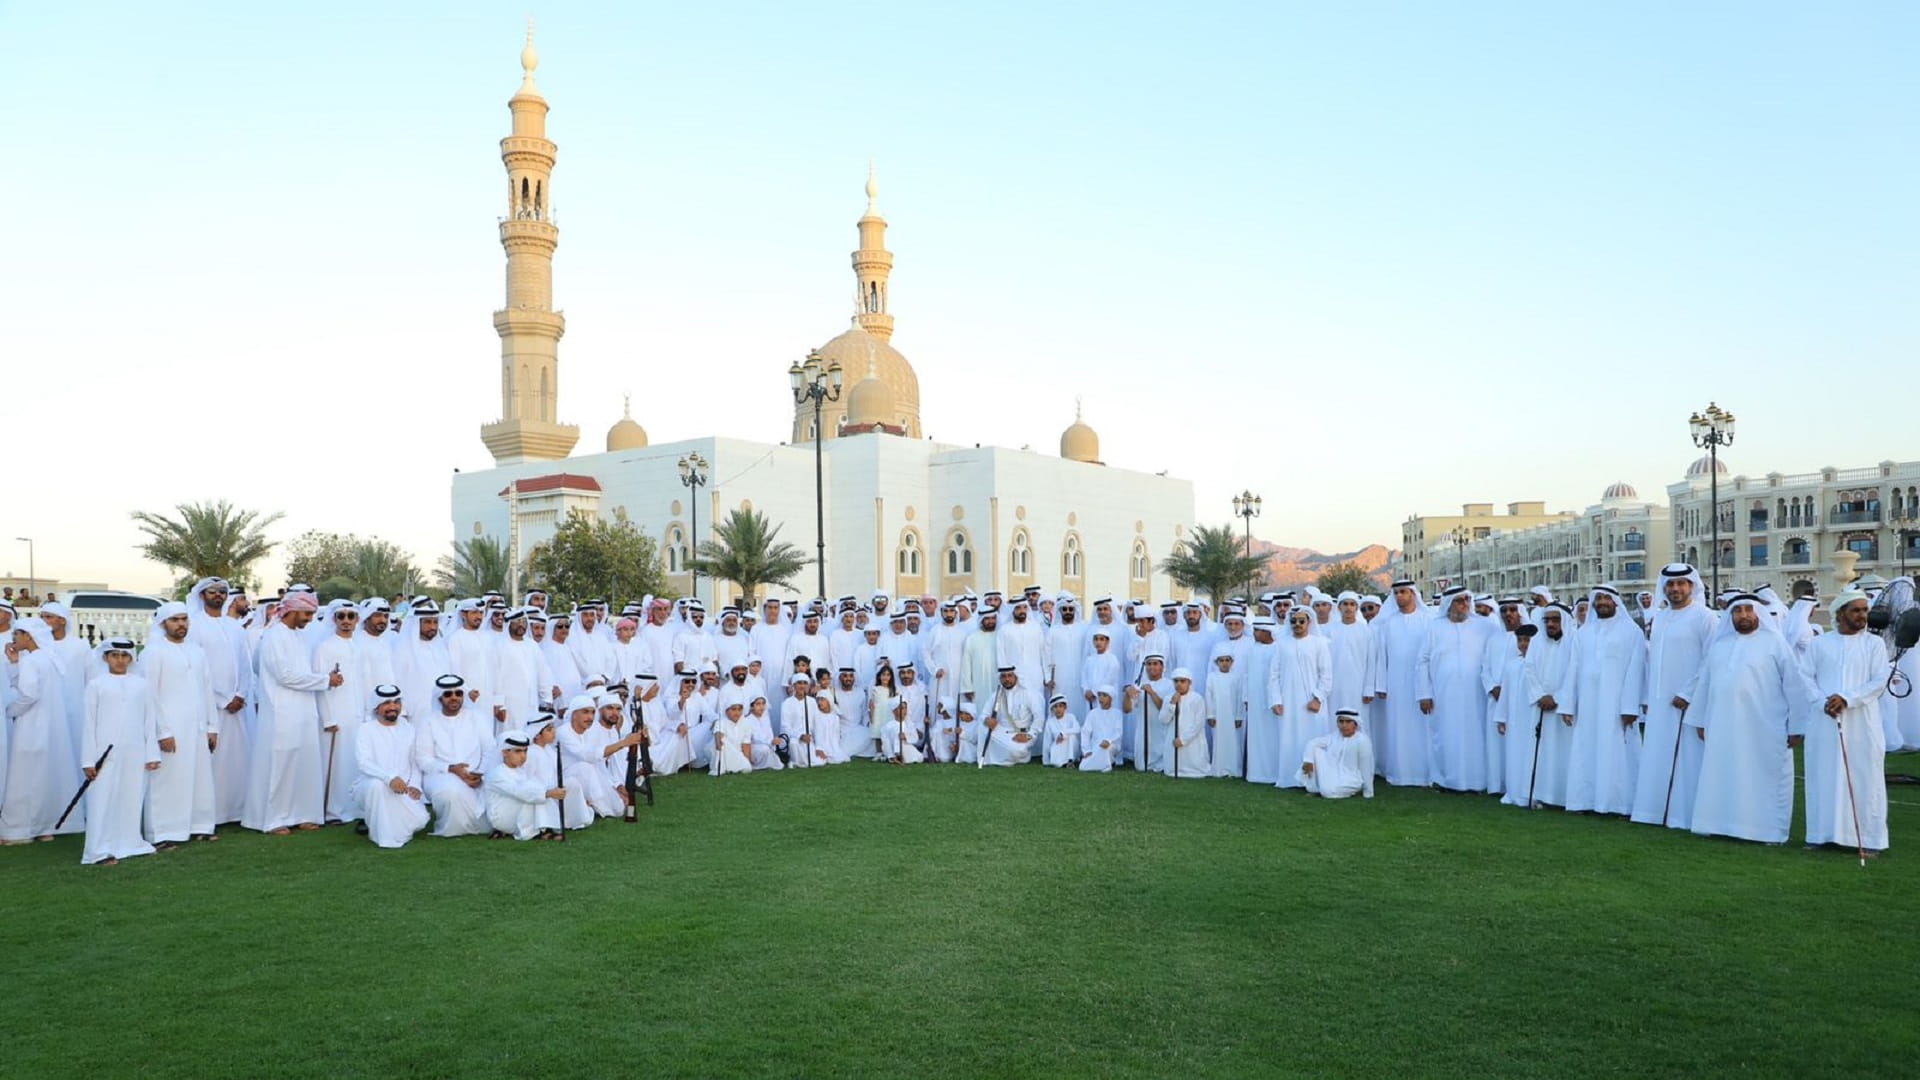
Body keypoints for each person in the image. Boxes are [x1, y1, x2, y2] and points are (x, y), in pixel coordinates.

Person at [1689, 594, 1814, 845]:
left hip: (1765, 726)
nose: (1743, 615)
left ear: (1758, 613)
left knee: (1764, 776)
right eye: (1737, 611)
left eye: (1748, 610)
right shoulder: (1720, 645)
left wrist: (1797, 726)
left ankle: (1766, 832)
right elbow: (1705, 684)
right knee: (1722, 772)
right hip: (1722, 723)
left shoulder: (1775, 643)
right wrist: (1700, 720)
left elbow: (1794, 686)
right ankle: (1721, 824)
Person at [244, 593, 343, 835]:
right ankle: (273, 819)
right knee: (281, 763)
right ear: (291, 611)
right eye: (307, 614)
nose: (310, 619)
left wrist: (321, 679)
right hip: (281, 710)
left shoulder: (300, 636)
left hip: (304, 709)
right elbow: (284, 675)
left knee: (305, 762)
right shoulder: (273, 637)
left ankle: (303, 815)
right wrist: (324, 680)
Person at [1801, 590, 1891, 854]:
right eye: (1856, 610)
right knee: (1823, 775)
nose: (1862, 615)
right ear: (1841, 614)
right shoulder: (1819, 644)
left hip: (1862, 722)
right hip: (1824, 721)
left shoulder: (1874, 644)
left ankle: (1868, 840)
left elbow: (1878, 682)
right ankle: (1822, 835)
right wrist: (1823, 702)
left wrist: (1847, 699)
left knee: (1865, 777)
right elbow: (1805, 678)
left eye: (1865, 610)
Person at [1631, 564, 1716, 829]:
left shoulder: (1706, 617)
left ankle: (1686, 815)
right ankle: (1654, 812)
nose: (1675, 589)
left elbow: (1711, 660)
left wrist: (1688, 692)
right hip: (1659, 703)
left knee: (1689, 758)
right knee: (1658, 754)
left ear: (1692, 586)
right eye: (1670, 584)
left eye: (1681, 583)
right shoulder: (1662, 617)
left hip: (1689, 702)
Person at [1558, 586, 1646, 816]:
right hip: (1588, 704)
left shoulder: (1631, 632)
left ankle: (1619, 804)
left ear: (1616, 602)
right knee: (1586, 749)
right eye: (1598, 598)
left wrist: (1629, 706)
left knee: (1617, 751)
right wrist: (1568, 705)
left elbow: (1636, 670)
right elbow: (1573, 669)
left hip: (1616, 704)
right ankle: (1584, 800)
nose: (1603, 602)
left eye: (1607, 598)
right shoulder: (1584, 633)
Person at [139, 602, 218, 846]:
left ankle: (199, 825)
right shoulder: (153, 652)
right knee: (167, 781)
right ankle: (162, 832)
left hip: (197, 727)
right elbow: (149, 694)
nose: (181, 624)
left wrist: (212, 726)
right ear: (163, 624)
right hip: (169, 727)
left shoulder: (197, 651)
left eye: (184, 619)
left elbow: (207, 690)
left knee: (199, 777)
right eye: (175, 620)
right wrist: (162, 731)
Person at [80, 640, 162, 865]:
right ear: (105, 658)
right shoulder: (96, 685)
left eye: (124, 656)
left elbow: (149, 720)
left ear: (131, 659)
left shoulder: (142, 685)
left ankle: (130, 843)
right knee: (102, 800)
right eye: (114, 655)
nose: (119, 660)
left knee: (131, 797)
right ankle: (98, 850)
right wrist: (88, 759)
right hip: (103, 754)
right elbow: (88, 724)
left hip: (135, 751)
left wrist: (152, 754)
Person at [1416, 587, 1493, 793]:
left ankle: (1477, 782)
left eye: (1467, 600)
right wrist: (1424, 693)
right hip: (1443, 693)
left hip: (1476, 693)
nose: (1464, 605)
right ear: (1449, 604)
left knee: (1476, 734)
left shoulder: (1484, 627)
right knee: (1445, 734)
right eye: (1459, 601)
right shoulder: (1435, 627)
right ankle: (1445, 780)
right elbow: (1422, 661)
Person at [1, 619, 72, 842]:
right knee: (44, 775)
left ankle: (18, 830)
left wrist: (9, 711)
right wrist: (14, 663)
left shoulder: (32, 661)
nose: (14, 639)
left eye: (18, 634)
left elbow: (28, 695)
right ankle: (44, 827)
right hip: (51, 725)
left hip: (31, 724)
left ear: (28, 636)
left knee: (24, 776)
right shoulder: (49, 658)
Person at [414, 674, 493, 837]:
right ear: (439, 698)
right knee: (451, 792)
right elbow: (423, 759)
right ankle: (453, 829)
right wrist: (451, 768)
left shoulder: (477, 717)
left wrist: (480, 773)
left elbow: (490, 750)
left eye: (458, 693)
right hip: (440, 774)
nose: (454, 698)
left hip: (475, 774)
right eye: (448, 694)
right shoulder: (428, 721)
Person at [1371, 578, 1433, 786]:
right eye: (1396, 593)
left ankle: (1424, 775)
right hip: (1395, 684)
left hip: (1422, 684)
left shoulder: (1428, 619)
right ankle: (1399, 774)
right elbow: (1382, 656)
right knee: (1398, 727)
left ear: (1413, 594)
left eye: (1403, 592)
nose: (1399, 596)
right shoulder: (1388, 623)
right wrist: (1381, 684)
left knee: (1422, 727)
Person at [351, 685, 428, 849]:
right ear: (377, 707)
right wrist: (389, 778)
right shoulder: (366, 729)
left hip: (403, 786)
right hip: (371, 786)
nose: (393, 707)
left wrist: (414, 784)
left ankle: (373, 821)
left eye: (396, 702)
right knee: (377, 786)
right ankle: (384, 838)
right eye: (386, 703)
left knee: (421, 819)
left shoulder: (409, 729)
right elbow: (364, 763)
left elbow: (414, 762)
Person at [1269, 609, 1332, 790]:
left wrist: (1318, 698)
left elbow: (1326, 674)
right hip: (1288, 702)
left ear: (1309, 622)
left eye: (1301, 621)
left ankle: (1314, 779)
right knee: (1289, 738)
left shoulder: (1319, 643)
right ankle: (1289, 779)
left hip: (1312, 702)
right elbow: (1274, 674)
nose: (1297, 624)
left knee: (1313, 738)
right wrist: (1276, 700)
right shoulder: (1282, 644)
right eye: (1294, 621)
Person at [484, 730, 565, 840]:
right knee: (533, 797)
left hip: (514, 811)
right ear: (504, 752)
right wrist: (548, 793)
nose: (523, 756)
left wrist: (550, 792)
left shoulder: (520, 770)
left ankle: (545, 828)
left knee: (538, 792)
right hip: (501, 818)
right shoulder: (497, 774)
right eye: (517, 752)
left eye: (525, 751)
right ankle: (535, 832)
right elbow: (518, 791)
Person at [1297, 710, 1375, 799]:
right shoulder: (1335, 736)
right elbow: (1312, 743)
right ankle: (1314, 789)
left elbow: (1366, 767)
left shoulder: (1362, 741)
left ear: (1356, 724)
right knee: (1314, 752)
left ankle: (1329, 790)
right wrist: (1308, 761)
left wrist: (1368, 792)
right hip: (1333, 772)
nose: (1344, 725)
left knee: (1328, 792)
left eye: (1348, 722)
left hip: (1352, 778)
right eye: (1341, 722)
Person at [980, 665, 1041, 767]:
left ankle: (1018, 756)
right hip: (1002, 732)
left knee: (1018, 750)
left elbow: (1039, 717)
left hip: (1022, 734)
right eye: (1003, 676)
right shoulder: (996, 695)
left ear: (1016, 677)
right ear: (1000, 679)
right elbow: (983, 714)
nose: (1007, 679)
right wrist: (987, 720)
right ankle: (999, 757)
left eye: (1009, 676)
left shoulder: (1028, 694)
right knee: (981, 727)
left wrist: (1030, 735)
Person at [1125, 655, 1172, 772]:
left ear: (1162, 667)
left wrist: (1151, 692)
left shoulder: (1169, 684)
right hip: (1143, 729)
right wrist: (1127, 694)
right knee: (1141, 766)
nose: (1152, 667)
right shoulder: (1139, 685)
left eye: (1155, 664)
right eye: (1149, 664)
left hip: (1161, 728)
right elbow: (1127, 709)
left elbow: (1165, 708)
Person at [1205, 650, 1244, 777]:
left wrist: (1239, 716)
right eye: (1221, 661)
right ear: (1217, 662)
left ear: (1232, 662)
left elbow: (1239, 697)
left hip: (1232, 715)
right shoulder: (1212, 677)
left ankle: (1233, 769)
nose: (1224, 663)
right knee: (1218, 741)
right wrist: (1210, 715)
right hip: (1218, 715)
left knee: (1233, 742)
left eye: (1227, 660)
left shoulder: (1237, 676)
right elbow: (1208, 696)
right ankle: (1219, 769)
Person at [1165, 668, 1210, 777]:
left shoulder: (1197, 699)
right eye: (1176, 681)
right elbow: (1163, 720)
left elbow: (1198, 724)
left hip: (1192, 740)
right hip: (1173, 738)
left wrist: (1183, 739)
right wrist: (1172, 704)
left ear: (1189, 682)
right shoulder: (1168, 698)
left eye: (1182, 681)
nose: (1179, 684)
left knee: (1195, 761)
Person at [1077, 687, 1123, 772]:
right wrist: (1086, 750)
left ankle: (1104, 764)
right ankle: (1103, 764)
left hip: (1111, 745)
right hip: (1096, 746)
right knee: (1082, 767)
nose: (1101, 698)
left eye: (1104, 695)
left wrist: (1108, 741)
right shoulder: (1092, 713)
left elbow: (1118, 732)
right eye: (1099, 695)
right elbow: (1085, 732)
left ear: (1111, 698)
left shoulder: (1117, 713)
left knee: (1105, 750)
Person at [711, 700, 756, 774]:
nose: (737, 713)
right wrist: (718, 740)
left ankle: (732, 767)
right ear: (726, 711)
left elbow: (746, 744)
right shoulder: (721, 722)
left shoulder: (746, 723)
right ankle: (722, 768)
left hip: (738, 753)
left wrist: (747, 761)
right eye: (734, 709)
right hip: (723, 752)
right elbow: (718, 734)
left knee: (747, 768)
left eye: (739, 710)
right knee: (723, 741)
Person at [1040, 695, 1078, 767]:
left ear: (1065, 707)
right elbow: (1047, 742)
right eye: (1055, 707)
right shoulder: (1050, 722)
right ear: (1052, 709)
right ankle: (1064, 762)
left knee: (1071, 736)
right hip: (1058, 745)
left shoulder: (1071, 717)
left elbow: (1077, 728)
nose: (1058, 709)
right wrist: (1045, 760)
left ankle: (1070, 761)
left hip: (1072, 746)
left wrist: (1063, 734)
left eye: (1060, 706)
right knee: (1056, 762)